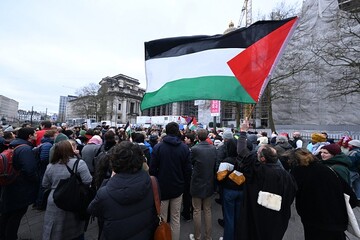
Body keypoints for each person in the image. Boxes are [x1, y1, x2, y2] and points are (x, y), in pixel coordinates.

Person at [236, 119, 296, 240]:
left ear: (262, 159)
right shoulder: (286, 175)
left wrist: (243, 132)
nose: (255, 154)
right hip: (277, 218)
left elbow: (242, 151)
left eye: (257, 153)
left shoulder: (259, 170)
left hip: (257, 215)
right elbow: (290, 196)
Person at [88, 141, 157, 240]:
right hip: (145, 233)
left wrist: (111, 180)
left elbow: (93, 210)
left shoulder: (105, 192)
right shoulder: (153, 182)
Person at [290, 148, 357, 240]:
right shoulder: (328, 170)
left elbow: (292, 192)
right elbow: (351, 196)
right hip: (336, 219)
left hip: (313, 220)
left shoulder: (298, 172)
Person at [149, 122, 192, 240]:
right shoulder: (184, 148)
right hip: (178, 187)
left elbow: (152, 169)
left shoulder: (158, 147)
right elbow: (188, 170)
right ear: (177, 131)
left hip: (161, 188)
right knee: (175, 218)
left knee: (161, 218)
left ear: (166, 131)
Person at [42, 140, 92, 240]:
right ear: (70, 150)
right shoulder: (79, 163)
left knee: (55, 227)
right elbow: (88, 180)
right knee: (74, 229)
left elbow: (45, 184)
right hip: (74, 197)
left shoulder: (50, 166)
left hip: (55, 198)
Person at [0, 127, 39, 240]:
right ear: (29, 136)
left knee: (7, 213)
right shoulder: (25, 149)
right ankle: (10, 236)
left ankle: (3, 234)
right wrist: (36, 180)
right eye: (34, 133)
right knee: (16, 214)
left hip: (10, 182)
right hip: (20, 186)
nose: (36, 134)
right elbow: (29, 170)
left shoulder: (14, 145)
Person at [189, 129, 217, 240]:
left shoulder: (195, 149)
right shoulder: (213, 149)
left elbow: (191, 162)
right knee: (207, 210)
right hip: (209, 181)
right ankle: (208, 237)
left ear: (197, 137)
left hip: (197, 182)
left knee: (196, 210)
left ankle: (197, 237)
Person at [217, 137, 244, 240]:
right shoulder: (244, 159)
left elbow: (219, 177)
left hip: (229, 191)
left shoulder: (227, 161)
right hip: (241, 190)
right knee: (238, 217)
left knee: (229, 218)